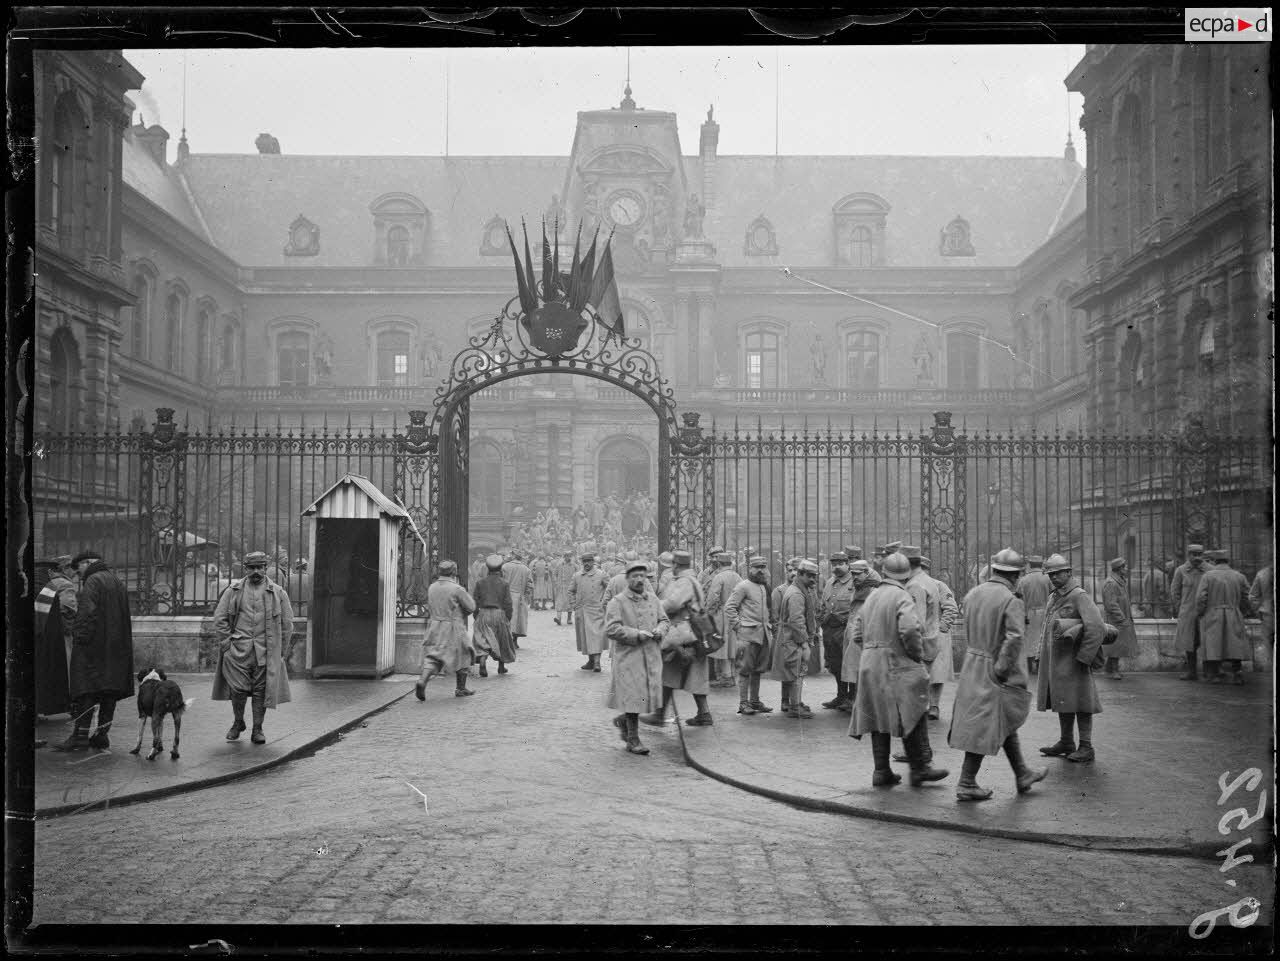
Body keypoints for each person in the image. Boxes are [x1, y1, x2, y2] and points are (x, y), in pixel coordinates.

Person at [948, 548, 1048, 801]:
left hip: (973, 664)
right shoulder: (1010, 599)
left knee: (998, 719)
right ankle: (967, 782)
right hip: (995, 669)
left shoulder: (973, 594)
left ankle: (1022, 773)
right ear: (1015, 575)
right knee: (985, 723)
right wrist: (1002, 669)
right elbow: (1014, 638)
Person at [847, 552, 948, 788]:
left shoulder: (871, 597)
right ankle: (920, 767)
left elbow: (857, 634)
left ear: (884, 573)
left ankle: (881, 771)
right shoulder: (902, 596)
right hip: (897, 662)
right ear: (906, 575)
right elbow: (910, 630)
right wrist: (916, 654)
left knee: (876, 716)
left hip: (870, 663)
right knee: (913, 709)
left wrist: (872, 652)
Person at [54, 550, 135, 751]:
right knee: (109, 692)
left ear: (88, 562)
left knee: (86, 690)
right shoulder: (116, 581)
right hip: (114, 648)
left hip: (93, 648)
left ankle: (79, 738)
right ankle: (101, 736)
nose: (78, 573)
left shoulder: (93, 581)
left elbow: (86, 614)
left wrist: (78, 637)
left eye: (79, 567)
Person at [212, 550, 293, 745]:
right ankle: (238, 722)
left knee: (260, 691)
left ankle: (257, 729)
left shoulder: (278, 593)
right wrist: (227, 645)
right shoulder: (233, 590)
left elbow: (287, 624)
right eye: (252, 568)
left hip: (265, 651)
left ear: (266, 568)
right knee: (237, 690)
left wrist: (280, 653)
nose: (256, 571)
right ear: (246, 569)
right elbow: (220, 618)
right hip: (238, 650)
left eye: (260, 567)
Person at [1035, 553, 1106, 764]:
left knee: (1082, 701)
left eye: (1058, 573)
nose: (1054, 577)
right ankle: (1066, 741)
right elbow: (1046, 628)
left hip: (1075, 660)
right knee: (1062, 698)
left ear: (1068, 572)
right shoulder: (1053, 596)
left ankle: (1086, 746)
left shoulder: (1079, 595)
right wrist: (1040, 653)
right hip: (1056, 660)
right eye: (1050, 574)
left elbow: (1096, 627)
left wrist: (1084, 657)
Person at [643, 550, 714, 726]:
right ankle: (702, 713)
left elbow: (673, 604)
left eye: (672, 564)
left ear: (676, 565)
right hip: (692, 633)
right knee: (691, 673)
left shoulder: (684, 582)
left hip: (683, 634)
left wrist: (655, 607)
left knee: (669, 671)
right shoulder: (692, 580)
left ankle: (660, 715)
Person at [605, 561, 669, 755]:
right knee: (633, 697)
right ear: (628, 579)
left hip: (650, 655)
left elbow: (664, 620)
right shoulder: (617, 601)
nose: (640, 579)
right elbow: (611, 629)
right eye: (635, 576)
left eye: (642, 576)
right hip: (628, 656)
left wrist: (660, 630)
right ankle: (633, 739)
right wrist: (636, 634)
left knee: (644, 696)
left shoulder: (653, 599)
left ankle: (624, 720)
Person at [415, 559, 478, 699]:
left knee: (433, 655)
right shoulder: (457, 589)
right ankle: (461, 688)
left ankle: (422, 680)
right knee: (464, 653)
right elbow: (471, 607)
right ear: (454, 572)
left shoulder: (432, 587)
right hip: (453, 627)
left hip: (434, 626)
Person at [769, 559, 820, 719]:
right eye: (810, 576)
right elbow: (797, 622)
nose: (813, 579)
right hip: (794, 640)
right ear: (800, 574)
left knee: (793, 673)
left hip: (791, 639)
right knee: (797, 673)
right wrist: (805, 644)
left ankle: (793, 702)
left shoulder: (797, 589)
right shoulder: (797, 593)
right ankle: (794, 706)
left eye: (815, 576)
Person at [725, 555, 775, 715]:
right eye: (756, 567)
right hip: (747, 635)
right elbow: (730, 607)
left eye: (763, 567)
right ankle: (743, 703)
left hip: (764, 635)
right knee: (745, 669)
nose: (760, 570)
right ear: (750, 569)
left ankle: (754, 701)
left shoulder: (765, 586)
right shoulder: (743, 586)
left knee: (758, 669)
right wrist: (738, 626)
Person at [1196, 550, 1254, 685]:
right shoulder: (1239, 576)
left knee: (1213, 643)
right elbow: (1247, 596)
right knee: (1235, 643)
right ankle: (1237, 673)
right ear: (1228, 561)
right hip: (1233, 612)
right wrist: (1243, 611)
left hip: (1212, 612)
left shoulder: (1208, 576)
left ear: (1215, 561)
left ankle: (1214, 674)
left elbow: (1200, 598)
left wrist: (1201, 612)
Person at [35, 555, 76, 723]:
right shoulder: (57, 586)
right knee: (59, 669)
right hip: (54, 637)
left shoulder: (36, 583)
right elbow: (68, 609)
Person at [839, 559, 881, 716]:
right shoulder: (859, 587)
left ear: (866, 572)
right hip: (852, 633)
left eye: (858, 574)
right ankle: (857, 702)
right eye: (853, 574)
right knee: (855, 670)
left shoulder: (873, 590)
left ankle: (864, 704)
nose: (855, 577)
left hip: (864, 636)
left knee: (863, 671)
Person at [818, 551, 858, 711]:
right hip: (830, 630)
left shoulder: (855, 582)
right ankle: (841, 696)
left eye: (840, 564)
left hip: (845, 629)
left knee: (849, 663)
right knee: (834, 664)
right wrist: (822, 620)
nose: (836, 567)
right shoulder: (829, 582)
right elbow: (823, 605)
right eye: (833, 564)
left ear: (848, 565)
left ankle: (852, 697)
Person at [921, 556, 960, 718]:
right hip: (917, 636)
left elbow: (951, 608)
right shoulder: (909, 586)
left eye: (923, 568)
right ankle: (920, 705)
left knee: (936, 674)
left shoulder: (939, 585)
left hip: (937, 636)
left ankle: (934, 706)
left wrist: (942, 628)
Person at [472, 554, 516, 676]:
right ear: (500, 568)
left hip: (484, 613)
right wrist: (508, 617)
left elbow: (475, 601)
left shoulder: (480, 583)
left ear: (487, 567)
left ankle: (482, 662)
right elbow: (508, 603)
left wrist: (476, 616)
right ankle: (501, 667)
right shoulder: (504, 583)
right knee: (502, 640)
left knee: (482, 640)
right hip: (499, 614)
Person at [1170, 544, 1209, 680]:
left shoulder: (1210, 570)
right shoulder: (1181, 571)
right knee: (1190, 644)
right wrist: (1181, 608)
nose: (1197, 557)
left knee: (1207, 642)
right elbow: (1175, 592)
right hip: (1188, 613)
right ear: (1188, 555)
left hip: (1205, 613)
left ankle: (1209, 671)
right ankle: (1192, 672)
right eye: (1194, 554)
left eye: (1200, 554)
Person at [569, 552, 610, 672]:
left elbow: (609, 588)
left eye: (589, 561)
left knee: (596, 636)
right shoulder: (577, 576)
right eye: (584, 562)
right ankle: (591, 661)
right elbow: (571, 590)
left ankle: (597, 662)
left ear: (593, 562)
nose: (586, 564)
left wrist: (604, 602)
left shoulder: (601, 574)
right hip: (582, 610)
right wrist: (574, 605)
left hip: (597, 610)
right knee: (585, 637)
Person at [705, 552, 740, 689]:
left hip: (721, 613)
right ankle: (731, 675)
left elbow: (713, 597)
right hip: (734, 613)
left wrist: (709, 612)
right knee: (731, 645)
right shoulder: (737, 576)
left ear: (719, 563)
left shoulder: (719, 577)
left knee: (722, 645)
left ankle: (725, 677)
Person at [1100, 558, 1139, 680]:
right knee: (1115, 646)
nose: (1126, 569)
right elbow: (1111, 604)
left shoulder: (1120, 581)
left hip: (1120, 620)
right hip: (1115, 620)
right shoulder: (1111, 583)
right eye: (1124, 567)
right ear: (1119, 569)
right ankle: (1113, 670)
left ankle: (1110, 669)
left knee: (1118, 645)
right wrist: (1121, 618)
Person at [1017, 556, 1051, 676]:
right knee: (1042, 639)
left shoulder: (1024, 580)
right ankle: (1039, 667)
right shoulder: (1047, 578)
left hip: (1029, 613)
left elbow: (1019, 599)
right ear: (1041, 565)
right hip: (1045, 611)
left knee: (1029, 640)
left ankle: (1029, 666)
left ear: (1030, 565)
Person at [503, 550, 533, 648]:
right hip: (520, 597)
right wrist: (526, 595)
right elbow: (530, 585)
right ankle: (515, 641)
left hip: (507, 596)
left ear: (513, 556)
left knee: (508, 618)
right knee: (519, 620)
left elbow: (501, 581)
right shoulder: (526, 569)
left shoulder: (505, 567)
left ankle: (507, 640)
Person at [1248, 561, 1274, 648]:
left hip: (1267, 613)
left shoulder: (1262, 574)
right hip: (1268, 613)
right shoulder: (1262, 574)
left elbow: (1253, 597)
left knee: (1268, 645)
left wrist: (1257, 611)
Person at [553, 551, 576, 626]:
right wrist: (556, 583)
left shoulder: (574, 566)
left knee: (570, 603)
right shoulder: (559, 565)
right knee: (559, 602)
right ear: (564, 557)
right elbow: (554, 574)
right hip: (561, 587)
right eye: (566, 556)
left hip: (570, 587)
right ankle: (558, 618)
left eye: (569, 556)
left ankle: (569, 619)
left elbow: (578, 575)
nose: (568, 557)